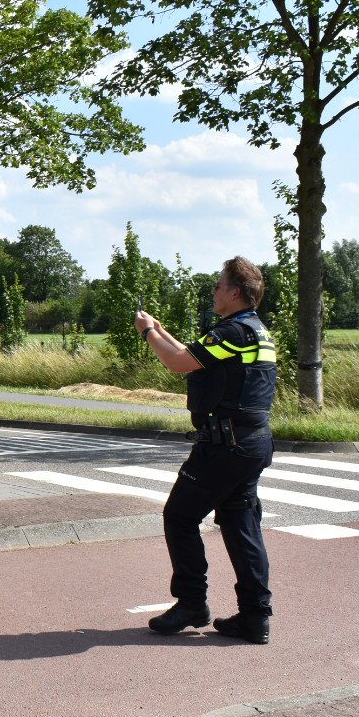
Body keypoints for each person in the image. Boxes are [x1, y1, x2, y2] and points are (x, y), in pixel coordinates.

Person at [134, 256, 277, 644]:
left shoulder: (232, 330)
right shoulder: (254, 330)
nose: (213, 291)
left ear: (234, 292)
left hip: (226, 446)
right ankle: (255, 617)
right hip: (252, 442)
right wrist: (161, 331)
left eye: (218, 286)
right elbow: (197, 360)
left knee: (180, 516)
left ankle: (192, 602)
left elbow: (180, 364)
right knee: (240, 524)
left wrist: (148, 335)